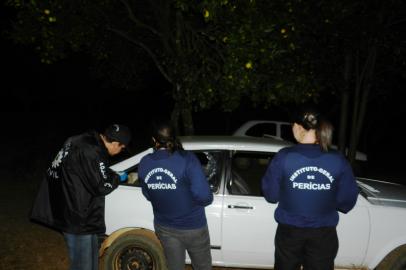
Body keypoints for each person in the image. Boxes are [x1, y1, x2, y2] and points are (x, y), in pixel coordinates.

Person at [261, 107, 359, 270]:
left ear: (299, 128)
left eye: (293, 126)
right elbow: (346, 202)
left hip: (290, 232)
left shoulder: (284, 156)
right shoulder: (338, 159)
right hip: (323, 234)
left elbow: (271, 195)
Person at [30, 124, 132, 270]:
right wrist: (116, 178)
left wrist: (108, 173)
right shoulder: (91, 150)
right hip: (77, 216)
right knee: (83, 265)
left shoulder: (81, 141)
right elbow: (101, 185)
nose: (120, 151)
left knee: (91, 261)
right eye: (122, 148)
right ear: (116, 143)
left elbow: (88, 172)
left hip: (78, 212)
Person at [138, 121, 213, 270]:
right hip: (193, 227)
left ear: (154, 140)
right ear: (174, 137)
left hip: (165, 227)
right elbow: (204, 196)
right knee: (202, 267)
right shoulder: (187, 159)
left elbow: (148, 194)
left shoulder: (144, 162)